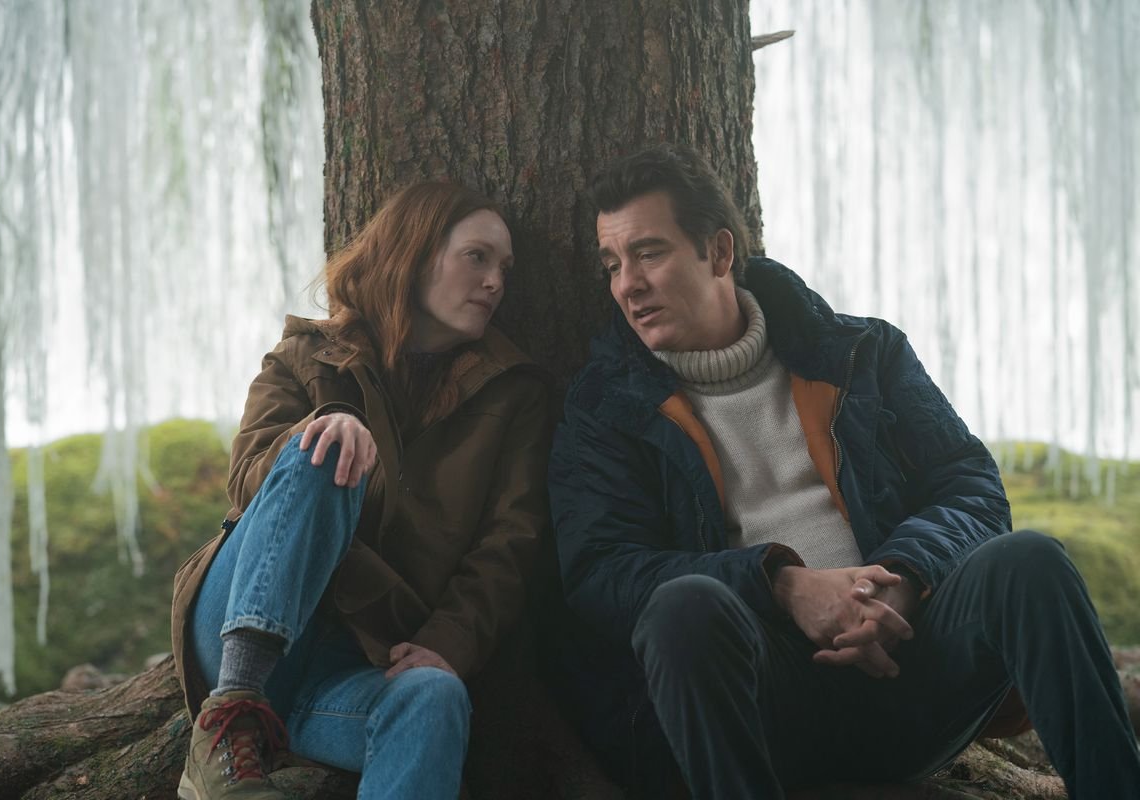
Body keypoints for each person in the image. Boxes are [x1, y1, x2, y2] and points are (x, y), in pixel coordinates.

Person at [547, 143, 1140, 799]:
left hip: (910, 663)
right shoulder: (605, 409)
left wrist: (903, 580)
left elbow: (970, 486)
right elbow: (601, 571)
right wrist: (782, 583)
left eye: (648, 253)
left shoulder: (863, 352)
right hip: (763, 704)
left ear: (717, 253)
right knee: (680, 609)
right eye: (612, 264)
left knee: (1031, 560)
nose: (626, 283)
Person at [170, 181, 551, 800]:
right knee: (323, 450)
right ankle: (226, 724)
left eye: (504, 267)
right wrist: (320, 431)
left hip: (357, 666)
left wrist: (447, 644)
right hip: (236, 624)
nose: (495, 282)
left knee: (434, 695)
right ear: (414, 252)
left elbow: (509, 542)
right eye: (476, 257)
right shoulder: (304, 355)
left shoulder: (515, 395)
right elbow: (245, 485)